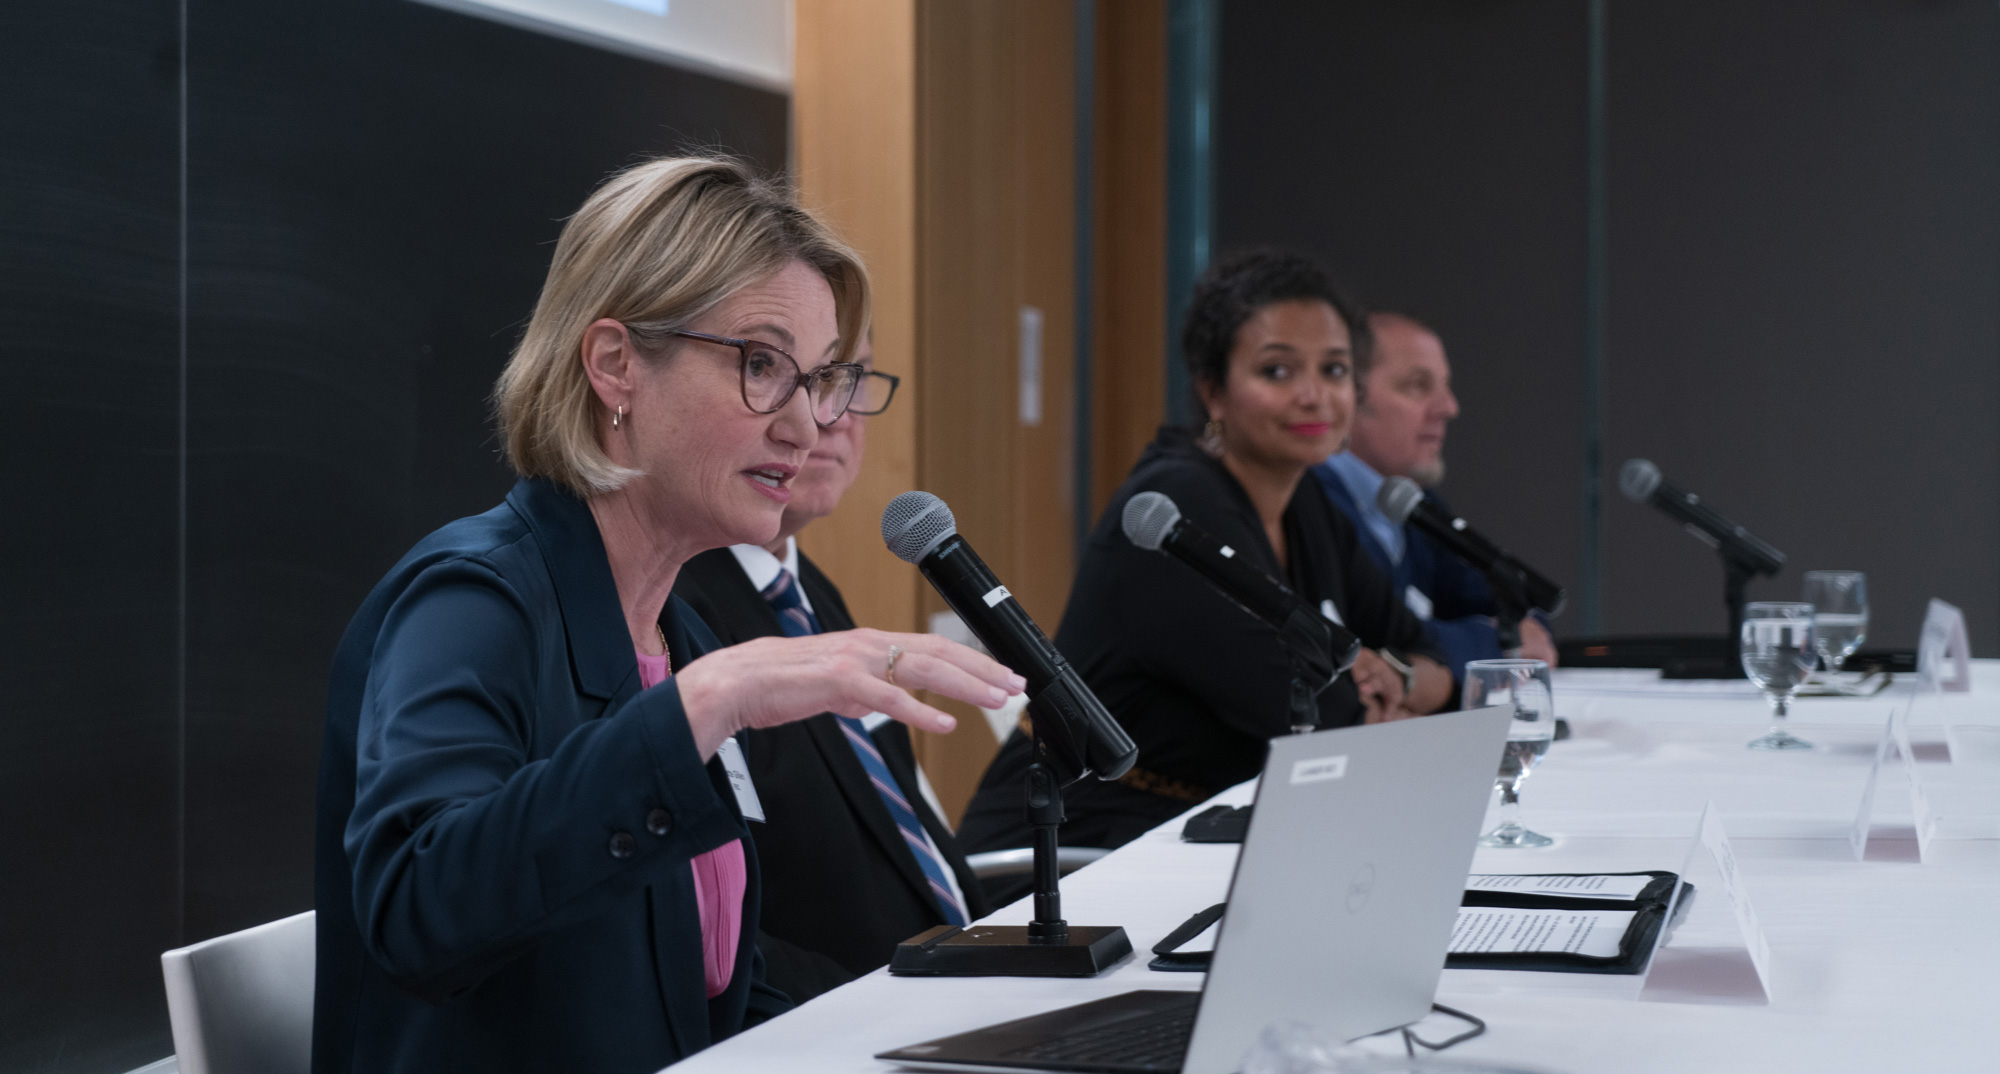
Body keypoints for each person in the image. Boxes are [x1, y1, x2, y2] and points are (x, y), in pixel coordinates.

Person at [312, 157, 1024, 1074]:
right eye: (761, 365)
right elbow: (418, 910)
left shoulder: (669, 629)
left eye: (819, 381)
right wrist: (708, 699)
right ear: (615, 366)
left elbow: (698, 986)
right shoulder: (469, 599)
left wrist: (932, 1034)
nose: (806, 426)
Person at [958, 249, 1450, 856]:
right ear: (1213, 390)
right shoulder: (1176, 506)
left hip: (1211, 838)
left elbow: (1432, 659)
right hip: (1079, 848)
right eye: (1277, 371)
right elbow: (1312, 716)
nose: (1314, 396)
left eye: (1335, 371)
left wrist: (1394, 673)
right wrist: (1374, 687)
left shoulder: (1310, 503)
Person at [671, 339, 990, 1003]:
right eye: (769, 369)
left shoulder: (803, 585)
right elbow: (702, 928)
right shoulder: (671, 606)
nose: (828, 416)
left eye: (847, 377)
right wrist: (877, 1008)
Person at [1312, 312, 1559, 679]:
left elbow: (1515, 605)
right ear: (1350, 394)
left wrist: (1513, 632)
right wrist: (1498, 644)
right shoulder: (1312, 499)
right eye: (1418, 386)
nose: (1448, 407)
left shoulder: (1415, 504)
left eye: (1445, 386)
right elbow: (1377, 638)